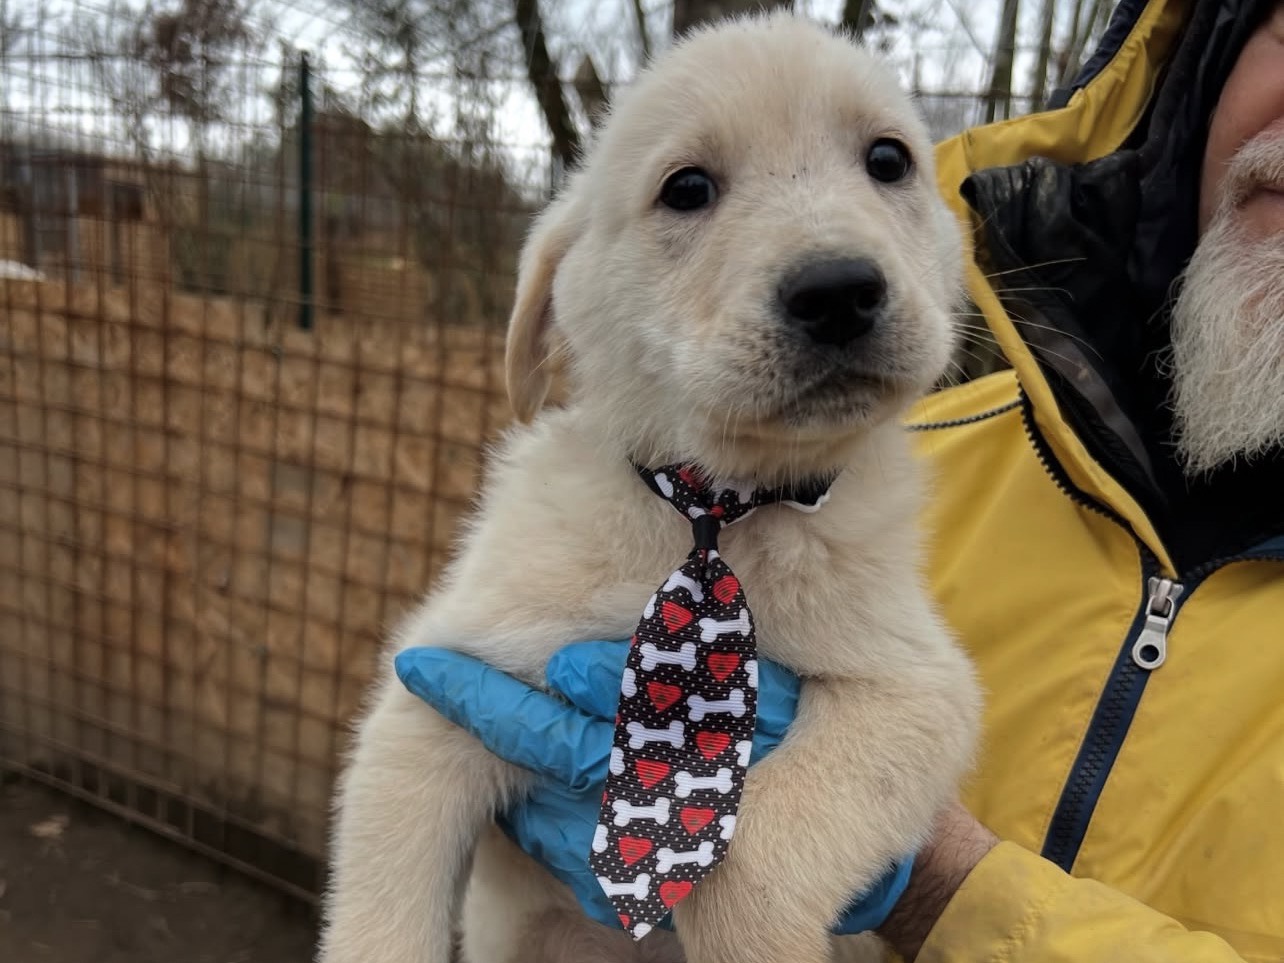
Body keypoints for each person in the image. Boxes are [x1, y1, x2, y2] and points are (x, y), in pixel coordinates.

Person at [392, 0, 1284, 956]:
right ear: (1206, 62)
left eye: (888, 163)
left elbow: (906, 714)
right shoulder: (906, 455)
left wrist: (938, 885)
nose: (828, 259)